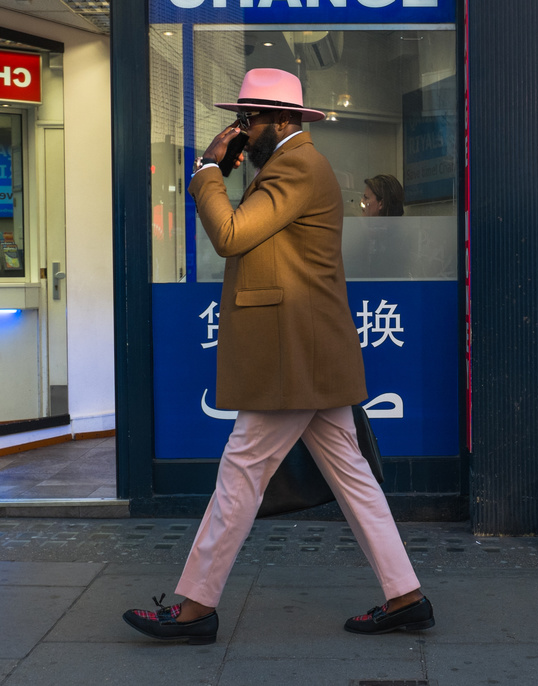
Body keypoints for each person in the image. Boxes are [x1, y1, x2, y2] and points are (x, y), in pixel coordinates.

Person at [123, 69, 434, 644]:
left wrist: (206, 172)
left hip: (295, 357)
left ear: (282, 121)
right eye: (241, 119)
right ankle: (406, 595)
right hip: (307, 355)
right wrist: (232, 169)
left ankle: (194, 607)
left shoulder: (296, 165)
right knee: (354, 479)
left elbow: (233, 235)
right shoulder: (286, 166)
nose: (240, 128)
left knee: (240, 474)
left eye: (250, 119)